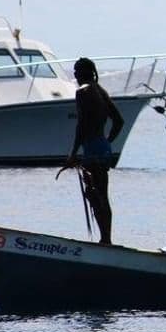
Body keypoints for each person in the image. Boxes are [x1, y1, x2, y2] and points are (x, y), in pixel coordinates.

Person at [60, 57, 124, 245]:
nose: (75, 75)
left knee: (94, 194)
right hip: (102, 148)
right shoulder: (101, 91)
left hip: (92, 148)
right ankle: (106, 238)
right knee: (101, 193)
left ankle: (105, 239)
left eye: (76, 71)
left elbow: (81, 125)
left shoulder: (82, 92)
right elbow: (119, 121)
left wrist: (73, 153)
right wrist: (107, 142)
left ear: (82, 73)